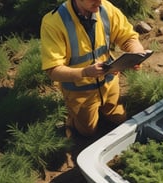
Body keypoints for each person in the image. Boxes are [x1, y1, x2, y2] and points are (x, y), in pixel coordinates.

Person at [40, 0, 145, 137]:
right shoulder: (54, 22)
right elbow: (53, 70)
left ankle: (106, 111)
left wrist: (136, 53)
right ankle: (72, 120)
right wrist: (85, 72)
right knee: (88, 132)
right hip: (80, 93)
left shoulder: (106, 8)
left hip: (109, 84)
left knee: (119, 119)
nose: (99, 2)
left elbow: (128, 37)